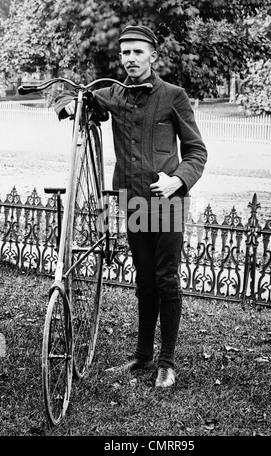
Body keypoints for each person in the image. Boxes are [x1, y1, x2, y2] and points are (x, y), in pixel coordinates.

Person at [55, 25, 208, 388]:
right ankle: (142, 356)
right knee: (144, 281)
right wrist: (64, 102)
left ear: (152, 55)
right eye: (125, 53)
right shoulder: (113, 94)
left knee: (166, 280)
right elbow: (79, 105)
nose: (131, 59)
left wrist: (179, 179)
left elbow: (197, 151)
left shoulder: (174, 96)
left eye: (138, 52)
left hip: (166, 200)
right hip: (132, 201)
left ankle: (166, 362)